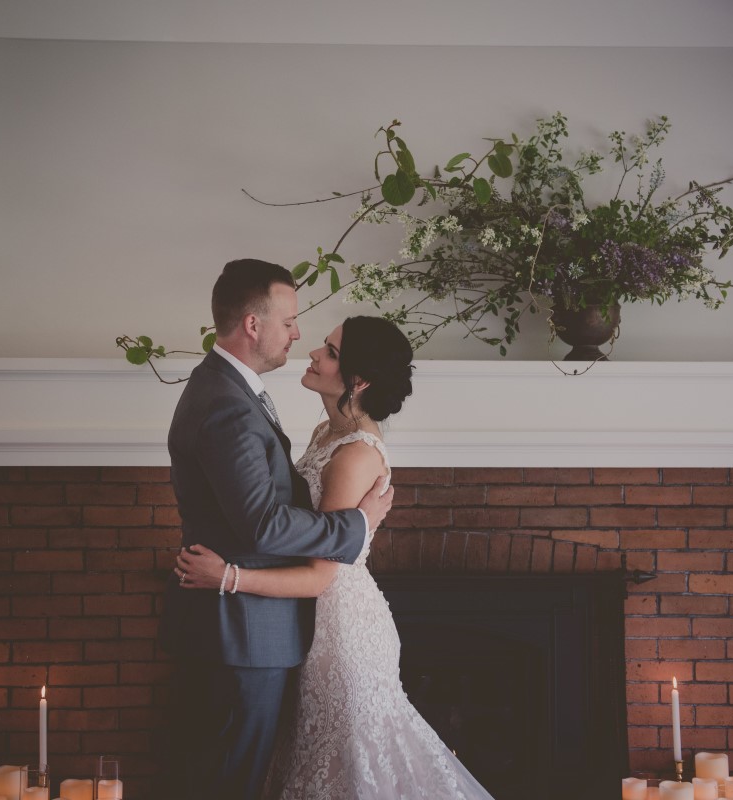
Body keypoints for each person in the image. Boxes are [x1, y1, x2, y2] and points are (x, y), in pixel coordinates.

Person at [176, 315, 495, 800]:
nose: (313, 353)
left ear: (358, 380)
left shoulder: (355, 454)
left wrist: (228, 577)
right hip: (309, 624)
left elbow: (319, 577)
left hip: (341, 632)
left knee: (348, 768)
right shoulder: (328, 431)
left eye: (330, 351)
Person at [159, 260, 395, 800]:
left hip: (263, 626)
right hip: (242, 634)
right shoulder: (227, 404)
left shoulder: (228, 390)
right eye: (288, 321)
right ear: (252, 324)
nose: (298, 335)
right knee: (231, 783)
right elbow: (262, 522)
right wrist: (355, 527)